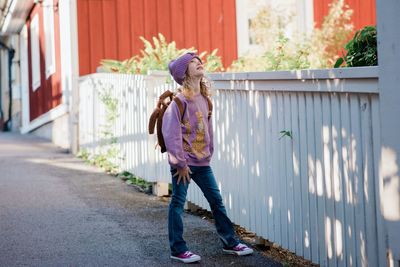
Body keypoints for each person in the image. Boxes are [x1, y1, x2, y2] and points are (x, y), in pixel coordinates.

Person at [162, 52, 254, 263]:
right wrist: (179, 163)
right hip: (183, 164)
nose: (198, 63)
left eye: (199, 60)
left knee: (216, 201)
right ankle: (177, 248)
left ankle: (230, 242)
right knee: (177, 203)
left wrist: (208, 153)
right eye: (192, 62)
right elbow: (171, 134)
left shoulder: (204, 100)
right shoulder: (178, 102)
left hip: (202, 162)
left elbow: (208, 130)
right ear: (183, 73)